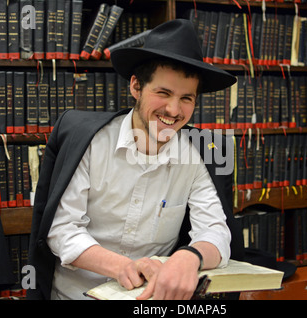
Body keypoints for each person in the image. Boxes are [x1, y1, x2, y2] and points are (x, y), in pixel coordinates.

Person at [27, 19, 238, 300]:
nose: (174, 110)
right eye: (163, 93)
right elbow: (61, 230)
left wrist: (190, 257)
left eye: (187, 98)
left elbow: (216, 232)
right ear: (136, 87)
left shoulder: (199, 155)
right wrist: (123, 267)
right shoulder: (90, 142)